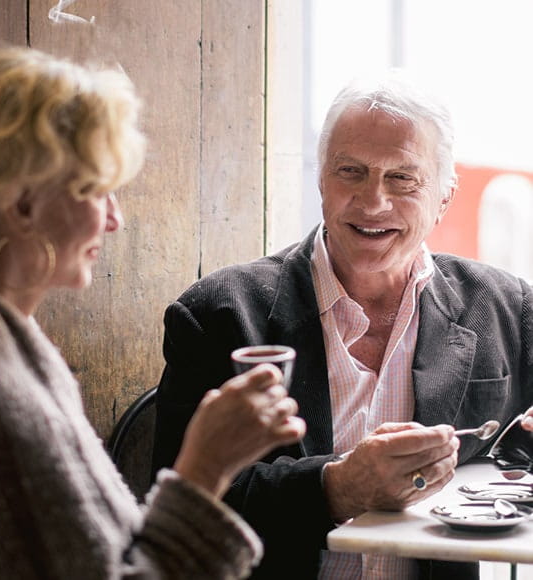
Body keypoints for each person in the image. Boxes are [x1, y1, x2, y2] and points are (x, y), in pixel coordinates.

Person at [152, 71, 533, 579]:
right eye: (350, 171)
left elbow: (516, 453)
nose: (374, 201)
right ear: (321, 180)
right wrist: (336, 487)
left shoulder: (506, 307)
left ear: (445, 194)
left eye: (402, 178)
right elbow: (177, 501)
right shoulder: (218, 314)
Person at [0, 46, 306, 580]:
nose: (115, 219)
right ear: (23, 204)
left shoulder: (4, 334)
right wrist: (204, 469)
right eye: (97, 190)